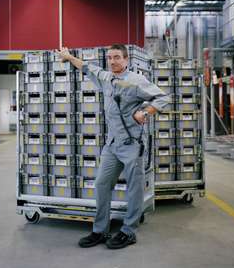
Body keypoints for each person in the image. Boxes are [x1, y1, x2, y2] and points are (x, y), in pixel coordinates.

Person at [56, 44, 169, 249]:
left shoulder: (136, 81)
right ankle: (100, 230)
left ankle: (129, 231)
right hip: (112, 144)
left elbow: (163, 97)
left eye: (117, 57)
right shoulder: (107, 78)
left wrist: (145, 112)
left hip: (131, 144)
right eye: (109, 57)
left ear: (126, 60)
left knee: (133, 189)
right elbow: (87, 67)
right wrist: (68, 57)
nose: (112, 61)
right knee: (101, 184)